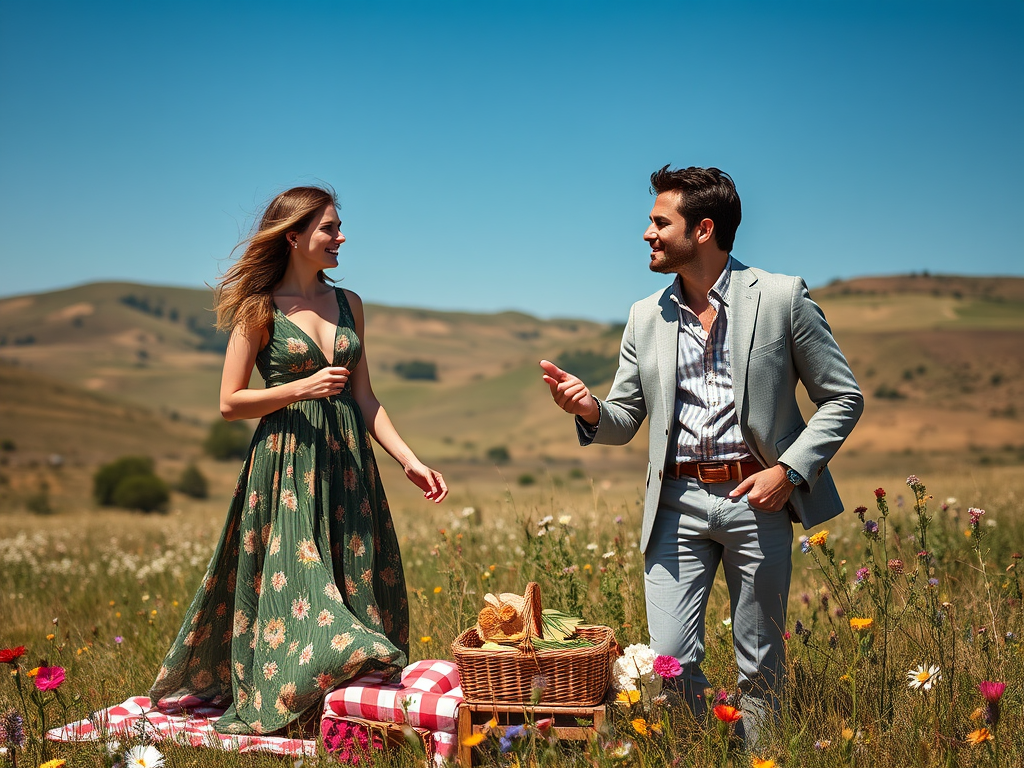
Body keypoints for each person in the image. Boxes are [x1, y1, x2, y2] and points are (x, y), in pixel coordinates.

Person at [541, 166, 862, 747]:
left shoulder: (782, 297)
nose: (647, 233)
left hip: (757, 499)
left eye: (660, 222)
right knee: (668, 659)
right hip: (675, 505)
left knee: (760, 661)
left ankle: (759, 758)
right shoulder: (644, 316)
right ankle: (704, 752)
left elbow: (843, 397)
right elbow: (624, 420)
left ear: (704, 229)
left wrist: (789, 472)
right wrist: (589, 409)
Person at [150, 185, 447, 735]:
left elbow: (365, 397)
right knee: (302, 582)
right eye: (329, 228)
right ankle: (290, 697)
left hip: (350, 461)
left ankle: (342, 707)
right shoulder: (258, 308)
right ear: (294, 237)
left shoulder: (348, 304)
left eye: (338, 227)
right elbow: (229, 402)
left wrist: (408, 459)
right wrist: (300, 387)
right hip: (287, 462)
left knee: (352, 578)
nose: (340, 237)